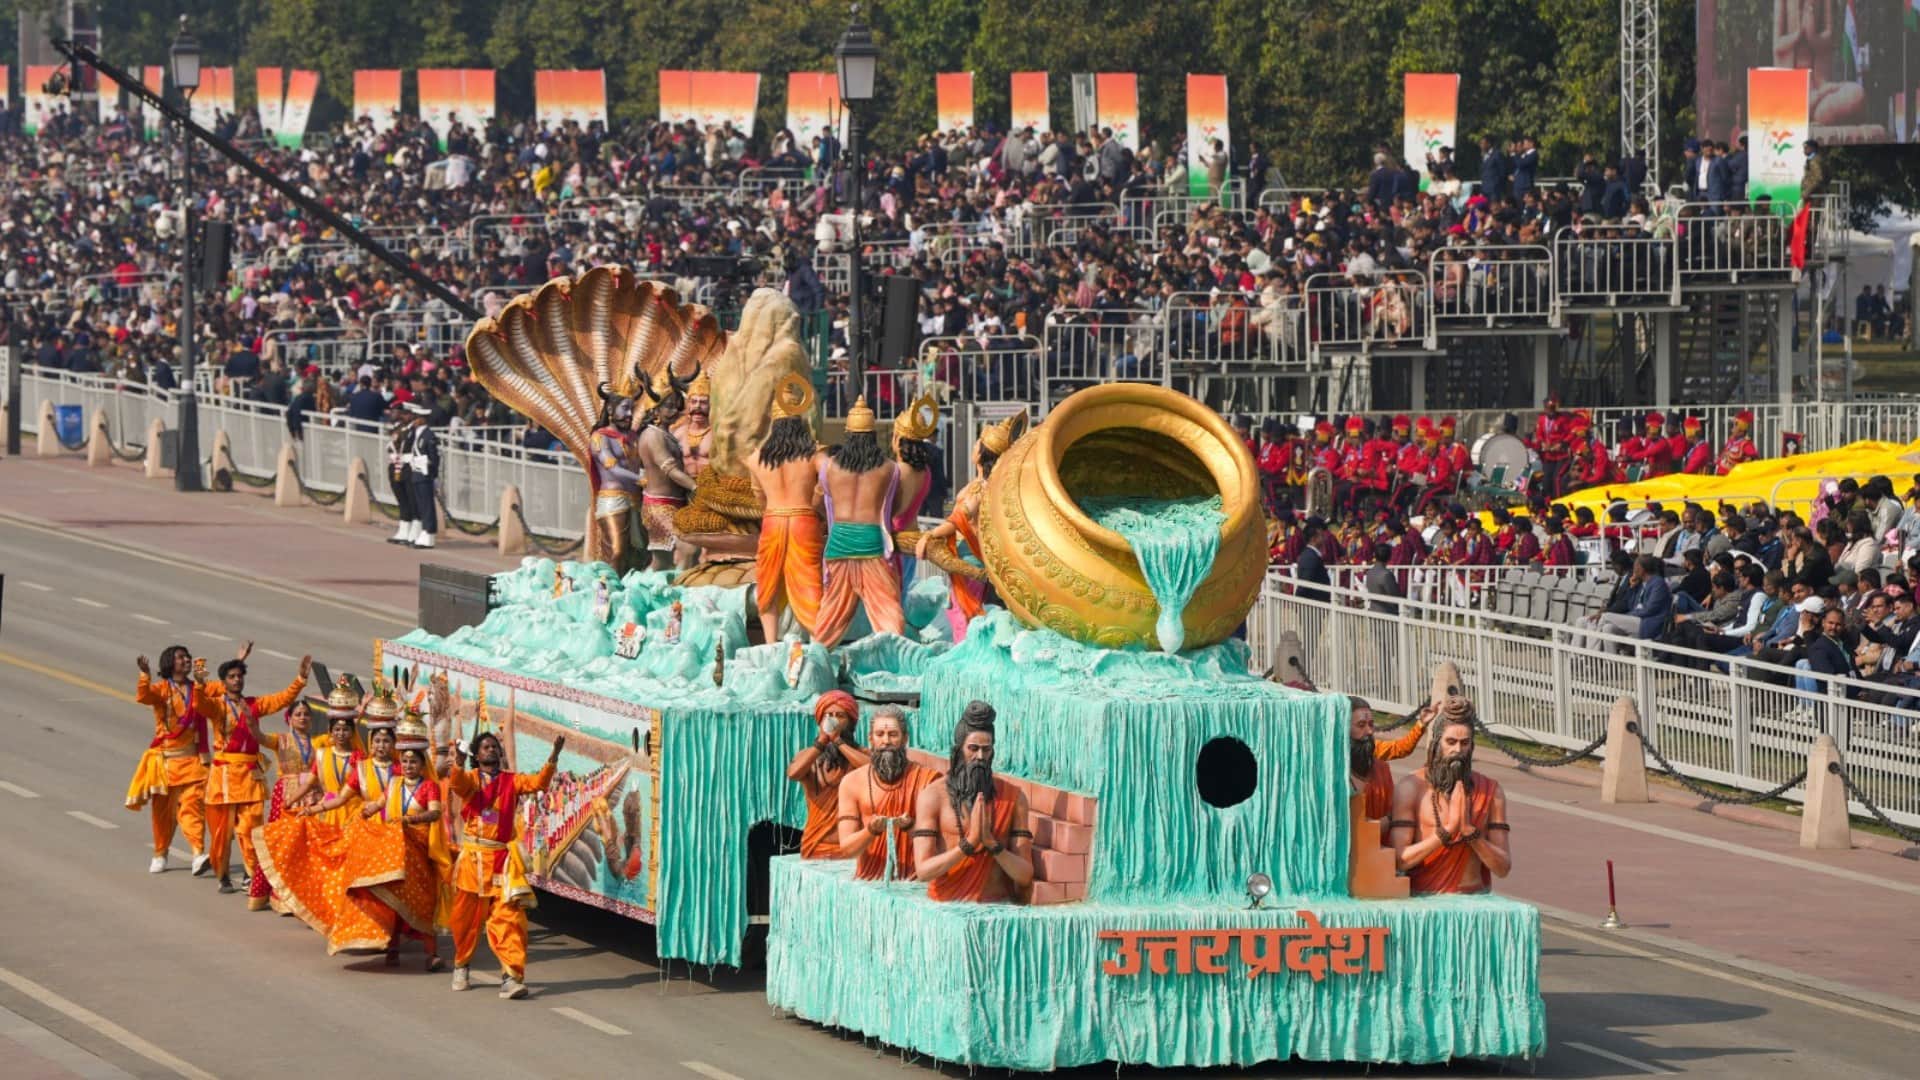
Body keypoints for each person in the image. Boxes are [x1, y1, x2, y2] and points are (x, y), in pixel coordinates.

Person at [438, 727, 561, 998]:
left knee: (510, 918)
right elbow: (457, 785)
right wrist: (457, 761)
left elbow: (539, 783)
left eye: (494, 746)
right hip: (473, 862)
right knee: (466, 921)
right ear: (477, 755)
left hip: (503, 862)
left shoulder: (511, 781)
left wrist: (553, 756)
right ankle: (461, 964)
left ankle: (511, 977)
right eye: (485, 747)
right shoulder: (470, 779)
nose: (491, 749)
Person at [198, 645, 311, 897]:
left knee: (251, 827)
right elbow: (201, 705)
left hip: (250, 775)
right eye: (232, 677)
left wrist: (300, 680)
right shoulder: (217, 706)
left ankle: (250, 874)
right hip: (224, 776)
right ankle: (223, 874)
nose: (237, 680)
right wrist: (198, 684)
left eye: (240, 676)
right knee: (221, 832)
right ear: (224, 681)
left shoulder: (255, 704)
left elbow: (282, 699)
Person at [912, 701, 1034, 903]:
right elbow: (924, 871)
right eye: (973, 748)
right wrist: (968, 844)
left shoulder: (1014, 797)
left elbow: (1025, 875)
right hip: (947, 907)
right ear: (958, 750)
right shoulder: (933, 796)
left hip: (995, 907)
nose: (980, 757)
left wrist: (991, 844)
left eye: (986, 750)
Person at [1388, 697, 1511, 894]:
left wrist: (1469, 832)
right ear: (1437, 743)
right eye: (1451, 742)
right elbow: (1399, 860)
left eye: (1465, 743)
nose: (1458, 750)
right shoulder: (1411, 788)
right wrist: (1447, 831)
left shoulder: (1491, 791)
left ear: (1472, 746)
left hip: (1474, 898)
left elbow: (1503, 867)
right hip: (1426, 899)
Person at [813, 398, 908, 646]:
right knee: (887, 609)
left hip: (839, 543)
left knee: (831, 612)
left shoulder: (829, 467)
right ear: (873, 435)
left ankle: (816, 654)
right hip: (871, 542)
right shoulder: (889, 468)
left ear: (847, 434)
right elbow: (894, 506)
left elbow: (823, 503)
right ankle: (894, 655)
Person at [746, 373, 825, 642]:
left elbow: (758, 498)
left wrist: (772, 509)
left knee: (769, 582)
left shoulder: (756, 458)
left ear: (774, 422)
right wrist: (814, 506)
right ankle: (818, 644)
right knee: (809, 582)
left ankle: (770, 643)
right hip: (804, 520)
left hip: (772, 520)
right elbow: (825, 486)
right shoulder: (815, 453)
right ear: (800, 421)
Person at [129, 647, 213, 876]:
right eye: (181, 658)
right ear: (170, 662)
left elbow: (223, 688)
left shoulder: (196, 687)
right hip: (165, 762)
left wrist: (238, 662)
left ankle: (198, 854)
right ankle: (160, 853)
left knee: (193, 807)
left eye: (187, 657)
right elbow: (143, 696)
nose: (186, 660)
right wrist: (144, 675)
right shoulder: (162, 689)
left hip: (193, 760)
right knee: (163, 813)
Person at [835, 704, 935, 880]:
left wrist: (910, 827)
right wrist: (871, 831)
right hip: (870, 881)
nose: (886, 741)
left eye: (893, 734)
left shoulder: (928, 780)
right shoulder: (851, 783)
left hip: (915, 882)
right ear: (870, 739)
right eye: (880, 734)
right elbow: (847, 849)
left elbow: (941, 843)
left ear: (905, 738)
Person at [788, 690, 871, 860]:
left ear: (851, 723)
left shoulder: (861, 755)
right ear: (820, 722)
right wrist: (821, 742)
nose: (833, 720)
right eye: (828, 715)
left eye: (840, 715)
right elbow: (794, 774)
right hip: (817, 845)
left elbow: (874, 771)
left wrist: (839, 742)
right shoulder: (808, 757)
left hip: (854, 847)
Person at [635, 372, 700, 570]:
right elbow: (669, 469)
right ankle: (678, 592)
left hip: (673, 504)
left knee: (661, 561)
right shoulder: (653, 436)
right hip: (660, 507)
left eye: (676, 406)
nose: (674, 411)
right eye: (669, 406)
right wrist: (696, 486)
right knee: (689, 549)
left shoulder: (664, 434)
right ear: (655, 409)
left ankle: (651, 591)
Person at [1349, 697, 1434, 835]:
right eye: (1361, 725)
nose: (1369, 731)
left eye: (1371, 724)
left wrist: (1421, 724)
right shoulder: (1331, 763)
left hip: (1377, 831)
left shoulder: (1372, 750)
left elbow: (1401, 748)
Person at [588, 385, 643, 572]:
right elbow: (612, 468)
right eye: (625, 408)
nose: (629, 414)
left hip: (637, 500)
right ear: (610, 410)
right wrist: (640, 478)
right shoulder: (600, 437)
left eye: (632, 410)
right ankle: (607, 591)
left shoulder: (635, 436)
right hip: (613, 499)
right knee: (617, 551)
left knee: (638, 553)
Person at [402, 401, 441, 549]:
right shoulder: (417, 433)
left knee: (427, 505)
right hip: (416, 473)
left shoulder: (428, 435)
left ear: (423, 419)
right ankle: (424, 530)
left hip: (424, 474)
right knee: (420, 504)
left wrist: (433, 473)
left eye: (418, 417)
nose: (415, 419)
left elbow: (434, 457)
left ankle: (429, 532)